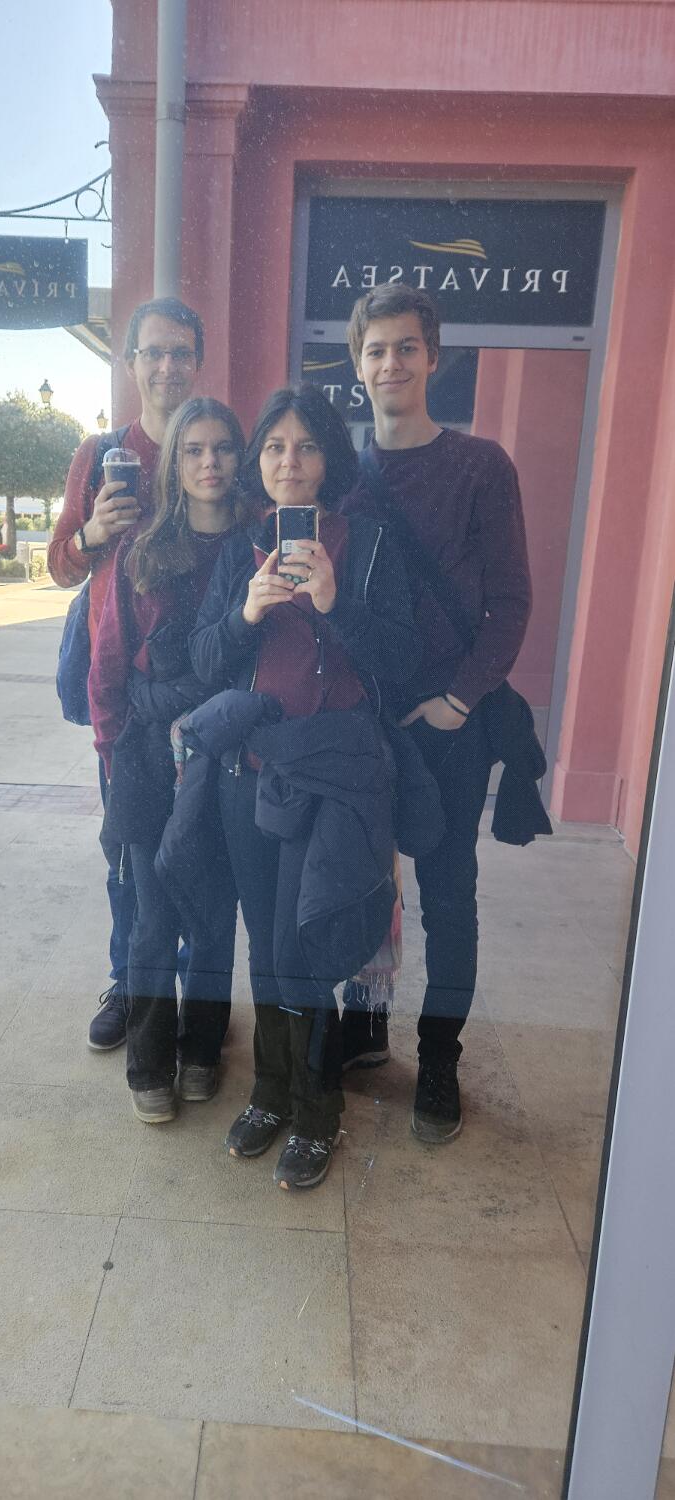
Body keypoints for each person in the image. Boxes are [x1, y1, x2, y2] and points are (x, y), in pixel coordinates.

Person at [189, 385, 418, 1189]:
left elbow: (403, 660)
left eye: (307, 445)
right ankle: (270, 1093)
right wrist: (244, 615)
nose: (289, 461)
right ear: (258, 460)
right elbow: (202, 661)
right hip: (250, 776)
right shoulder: (238, 552)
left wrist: (333, 603)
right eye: (275, 446)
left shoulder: (370, 543)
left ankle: (317, 1113)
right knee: (264, 943)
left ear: (329, 458)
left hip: (335, 780)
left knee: (305, 948)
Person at [343, 283, 532, 1144]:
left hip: (449, 725)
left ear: (433, 358)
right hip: (362, 719)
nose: (391, 363)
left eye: (406, 347)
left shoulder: (480, 466)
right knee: (361, 881)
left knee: (448, 894)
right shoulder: (343, 473)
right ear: (357, 365)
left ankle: (439, 1058)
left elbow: (510, 601)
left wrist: (459, 699)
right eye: (375, 349)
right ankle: (364, 1024)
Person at [48, 297, 205, 1054]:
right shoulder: (102, 452)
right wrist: (92, 531)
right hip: (121, 689)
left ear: (196, 363)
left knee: (193, 851)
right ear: (131, 361)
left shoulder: (211, 446)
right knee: (127, 849)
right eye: (154, 352)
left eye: (181, 353)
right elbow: (58, 565)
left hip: (200, 684)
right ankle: (130, 981)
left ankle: (191, 991)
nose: (167, 366)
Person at [88, 397, 246, 1122]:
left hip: (227, 758)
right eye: (193, 450)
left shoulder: (257, 544)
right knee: (152, 915)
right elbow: (110, 662)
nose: (209, 462)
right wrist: (111, 750)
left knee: (213, 915)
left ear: (239, 457)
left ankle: (202, 1048)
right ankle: (149, 1063)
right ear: (173, 464)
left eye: (222, 448)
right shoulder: (142, 549)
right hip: (148, 759)